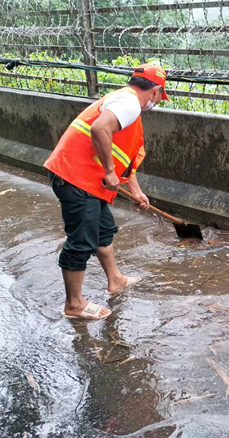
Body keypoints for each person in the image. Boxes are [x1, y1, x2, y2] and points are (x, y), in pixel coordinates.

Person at [44, 63, 170, 320]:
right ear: (156, 91)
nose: (157, 101)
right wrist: (110, 172)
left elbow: (122, 155)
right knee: (81, 241)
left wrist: (137, 191)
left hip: (88, 181)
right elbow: (99, 129)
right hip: (75, 177)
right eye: (160, 96)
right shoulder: (129, 103)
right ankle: (74, 305)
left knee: (103, 230)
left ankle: (116, 279)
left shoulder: (124, 101)